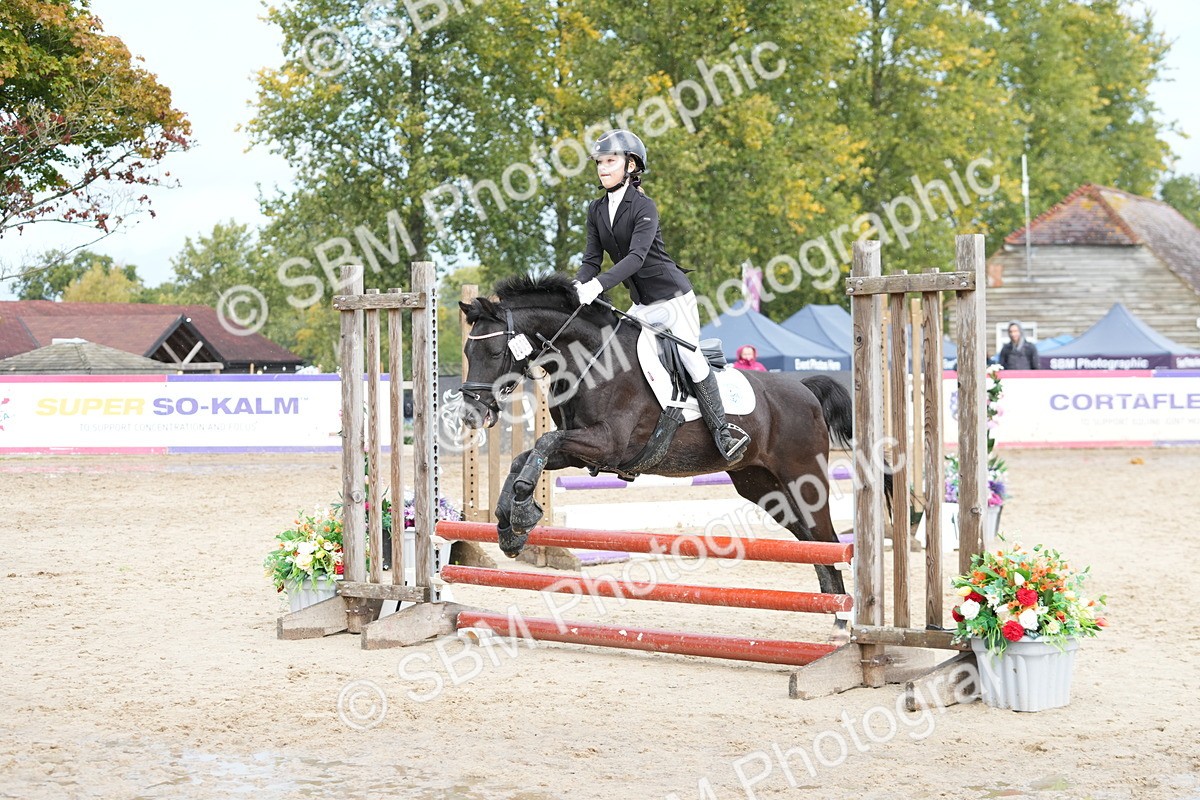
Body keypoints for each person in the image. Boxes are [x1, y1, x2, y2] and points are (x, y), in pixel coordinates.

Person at [572, 129, 749, 463]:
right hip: (640, 303)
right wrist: (578, 284)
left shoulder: (644, 207)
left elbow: (636, 258)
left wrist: (599, 286)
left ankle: (723, 433)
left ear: (632, 165)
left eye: (611, 160)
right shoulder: (596, 209)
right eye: (600, 161)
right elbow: (591, 260)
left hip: (672, 298)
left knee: (691, 357)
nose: (603, 167)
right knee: (622, 354)